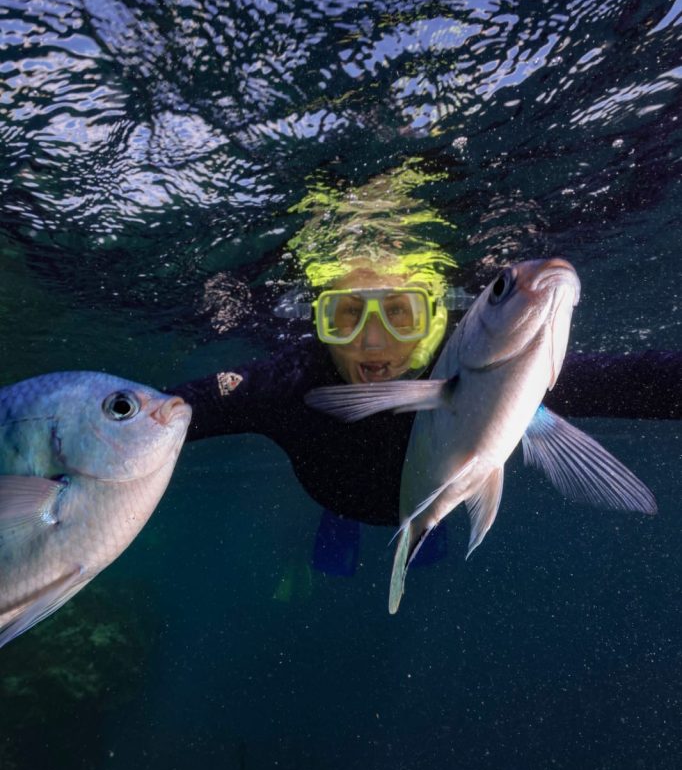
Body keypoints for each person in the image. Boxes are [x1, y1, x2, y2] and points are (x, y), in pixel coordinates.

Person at [171, 169, 681, 576]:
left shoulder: (499, 372)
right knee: (352, 516)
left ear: (438, 316)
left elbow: (646, 381)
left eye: (401, 313)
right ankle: (351, 522)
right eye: (346, 315)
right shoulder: (291, 382)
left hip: (429, 497)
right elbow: (157, 413)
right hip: (337, 496)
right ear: (319, 322)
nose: (373, 342)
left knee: (426, 524)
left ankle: (420, 527)